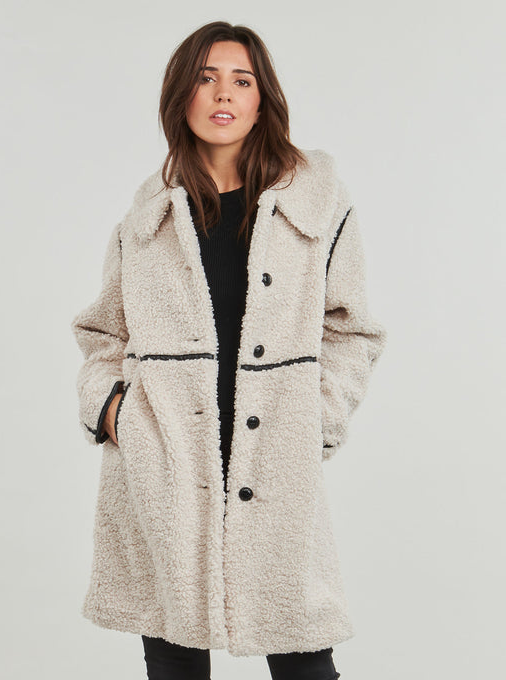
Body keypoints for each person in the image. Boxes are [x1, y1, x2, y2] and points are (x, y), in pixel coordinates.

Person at [71, 20, 387, 680]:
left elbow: (351, 328)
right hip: (166, 460)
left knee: (304, 659)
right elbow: (103, 333)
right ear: (180, 96)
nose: (223, 93)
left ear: (261, 99)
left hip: (275, 458)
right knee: (173, 660)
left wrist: (316, 419)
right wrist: (114, 412)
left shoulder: (315, 203)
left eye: (241, 80)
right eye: (206, 78)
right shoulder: (147, 219)